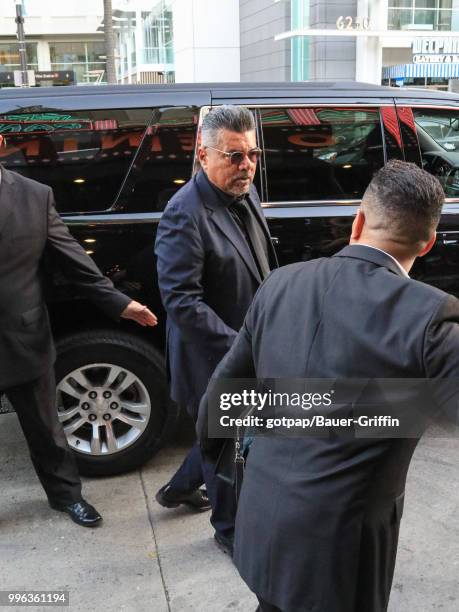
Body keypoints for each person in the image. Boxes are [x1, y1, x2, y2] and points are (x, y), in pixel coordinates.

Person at [197, 159, 459, 611]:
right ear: (429, 242)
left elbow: (218, 405)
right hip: (341, 552)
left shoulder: (280, 284)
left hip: (262, 523)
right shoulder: (431, 316)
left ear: (358, 221)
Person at [0, 145, 157, 528]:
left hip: (23, 334)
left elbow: (74, 260)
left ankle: (67, 497)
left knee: (46, 430)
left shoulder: (34, 196)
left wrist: (120, 303)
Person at [154, 105, 278, 553]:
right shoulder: (183, 214)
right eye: (234, 156)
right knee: (227, 448)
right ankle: (229, 532)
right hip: (211, 357)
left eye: (253, 154)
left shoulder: (247, 192)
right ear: (203, 155)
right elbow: (182, 303)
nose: (246, 165)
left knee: (225, 434)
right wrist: (244, 346)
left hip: (248, 347)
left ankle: (178, 489)